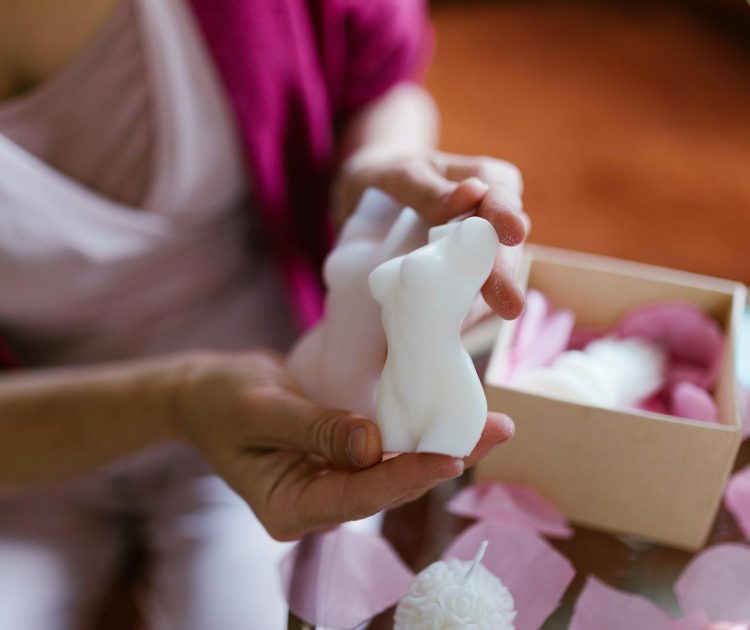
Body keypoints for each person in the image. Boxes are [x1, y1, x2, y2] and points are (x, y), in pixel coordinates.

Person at [0, 0, 527, 628]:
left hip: (278, 400)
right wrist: (178, 401)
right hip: (31, 445)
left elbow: (385, 88)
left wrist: (376, 178)